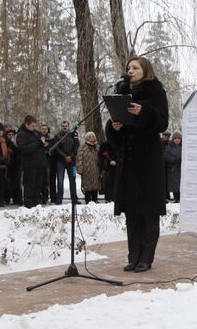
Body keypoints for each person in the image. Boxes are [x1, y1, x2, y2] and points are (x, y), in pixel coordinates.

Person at [105, 56, 169, 273]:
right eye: (128, 68)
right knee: (132, 213)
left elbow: (162, 122)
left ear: (145, 70)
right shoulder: (121, 92)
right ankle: (133, 256)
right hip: (128, 163)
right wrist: (114, 126)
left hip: (148, 162)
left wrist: (143, 111)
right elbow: (114, 128)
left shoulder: (156, 91)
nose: (130, 71)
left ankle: (146, 258)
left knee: (148, 213)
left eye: (135, 67)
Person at [16, 116, 48, 208]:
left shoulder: (36, 133)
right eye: (32, 126)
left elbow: (42, 144)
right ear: (26, 124)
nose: (34, 128)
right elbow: (25, 149)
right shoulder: (21, 135)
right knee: (30, 185)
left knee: (38, 185)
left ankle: (37, 203)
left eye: (35, 126)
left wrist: (45, 144)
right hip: (29, 165)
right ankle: (28, 204)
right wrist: (38, 143)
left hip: (40, 164)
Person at [53, 121, 79, 204]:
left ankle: (74, 199)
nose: (65, 127)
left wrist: (70, 157)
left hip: (71, 161)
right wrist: (65, 156)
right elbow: (56, 148)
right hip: (60, 160)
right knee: (60, 180)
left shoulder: (72, 135)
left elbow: (76, 147)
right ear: (61, 126)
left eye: (66, 126)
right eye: (63, 126)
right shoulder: (57, 136)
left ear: (68, 126)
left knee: (73, 180)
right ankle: (59, 199)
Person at [76, 132, 101, 204]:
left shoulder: (97, 147)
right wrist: (80, 168)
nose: (92, 137)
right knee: (87, 184)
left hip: (96, 168)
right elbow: (79, 158)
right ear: (87, 138)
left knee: (96, 184)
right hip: (86, 169)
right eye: (90, 136)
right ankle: (87, 199)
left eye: (93, 136)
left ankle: (95, 199)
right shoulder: (82, 147)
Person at [5, 128, 22, 205]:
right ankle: (7, 199)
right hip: (8, 165)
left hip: (16, 165)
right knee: (7, 183)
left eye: (12, 135)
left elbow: (19, 154)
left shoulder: (17, 143)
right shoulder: (5, 142)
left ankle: (16, 199)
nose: (11, 136)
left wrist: (15, 145)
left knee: (16, 183)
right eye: (9, 135)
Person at [164, 131, 182, 203]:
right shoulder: (169, 146)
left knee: (179, 184)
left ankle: (179, 197)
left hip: (180, 168)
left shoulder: (183, 147)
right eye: (175, 138)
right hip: (172, 169)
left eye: (178, 138)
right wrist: (173, 160)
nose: (177, 140)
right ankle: (175, 197)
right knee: (173, 184)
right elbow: (166, 156)